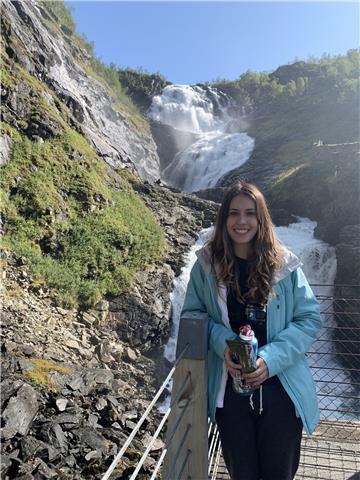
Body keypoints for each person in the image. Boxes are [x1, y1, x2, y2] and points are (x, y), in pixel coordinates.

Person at [181, 181, 322, 480]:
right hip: (229, 396)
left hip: (281, 394)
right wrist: (224, 344)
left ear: (261, 218)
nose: (241, 221)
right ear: (224, 219)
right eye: (234, 213)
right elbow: (193, 314)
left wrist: (270, 360)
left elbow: (309, 319)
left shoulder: (284, 265)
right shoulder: (206, 265)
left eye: (250, 213)